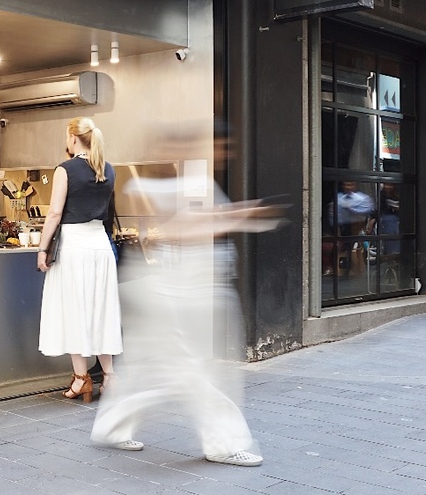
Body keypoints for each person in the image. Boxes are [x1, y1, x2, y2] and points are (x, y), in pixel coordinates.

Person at [89, 120, 284, 465]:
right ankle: (223, 444)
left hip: (187, 289)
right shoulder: (173, 185)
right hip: (180, 293)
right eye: (219, 146)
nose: (224, 153)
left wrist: (235, 216)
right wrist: (242, 216)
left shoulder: (194, 183)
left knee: (152, 366)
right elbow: (185, 227)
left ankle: (110, 428)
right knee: (194, 371)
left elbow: (191, 220)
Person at [37, 118, 124, 434]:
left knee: (75, 309)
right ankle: (110, 378)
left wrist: (42, 249)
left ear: (73, 137)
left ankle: (81, 379)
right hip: (99, 245)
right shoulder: (108, 168)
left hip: (73, 246)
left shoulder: (65, 169)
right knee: (102, 309)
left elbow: (55, 213)